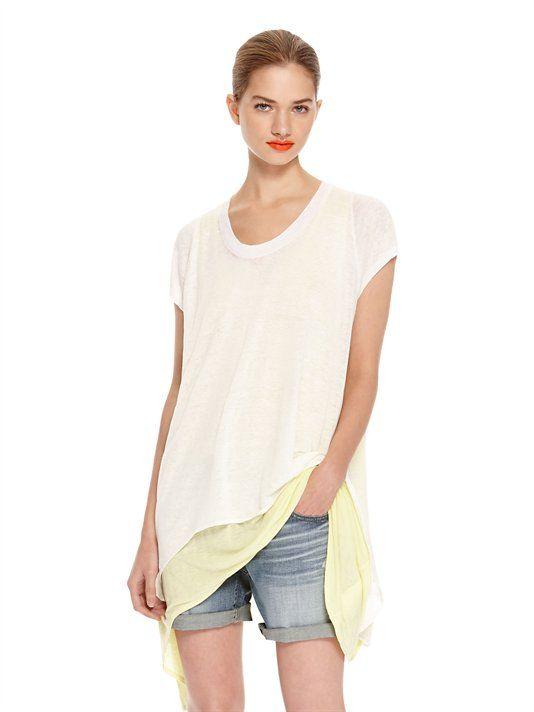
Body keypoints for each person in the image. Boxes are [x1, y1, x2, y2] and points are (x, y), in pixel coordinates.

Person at [128, 28, 398, 712]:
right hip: (195, 510)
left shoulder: (359, 222)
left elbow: (363, 374)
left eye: (300, 107)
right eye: (264, 106)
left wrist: (324, 481)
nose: (283, 126)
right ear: (234, 108)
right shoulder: (195, 241)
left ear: (317, 110)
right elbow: (182, 388)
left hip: (298, 507)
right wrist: (150, 532)